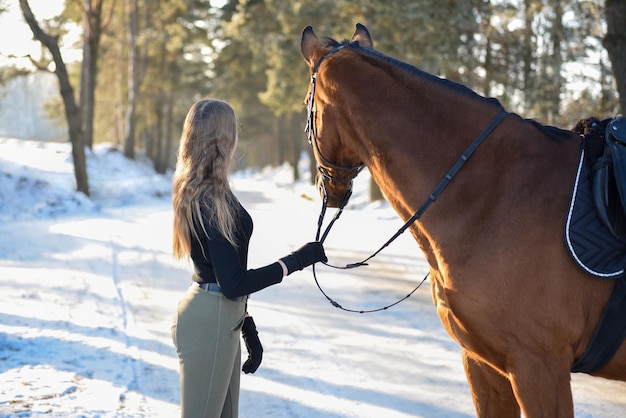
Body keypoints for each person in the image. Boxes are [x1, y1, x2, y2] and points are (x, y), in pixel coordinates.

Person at [170, 98, 326, 418]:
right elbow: (232, 282)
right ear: (224, 139)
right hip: (209, 320)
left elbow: (229, 269)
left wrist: (247, 326)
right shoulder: (207, 198)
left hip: (223, 319)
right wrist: (295, 261)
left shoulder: (213, 190)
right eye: (233, 130)